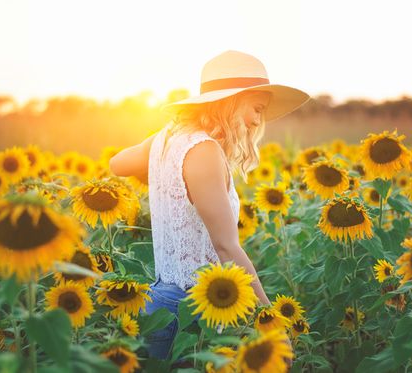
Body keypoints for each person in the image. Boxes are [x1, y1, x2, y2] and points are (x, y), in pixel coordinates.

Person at [109, 50, 309, 363]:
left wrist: (168, 172)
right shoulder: (203, 150)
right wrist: (269, 321)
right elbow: (226, 246)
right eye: (257, 109)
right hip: (188, 311)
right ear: (231, 101)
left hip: (158, 303)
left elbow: (118, 163)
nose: (258, 121)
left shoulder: (169, 138)